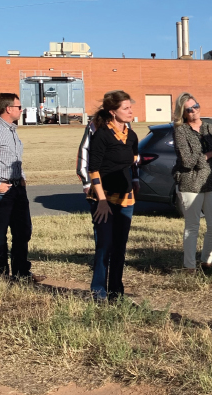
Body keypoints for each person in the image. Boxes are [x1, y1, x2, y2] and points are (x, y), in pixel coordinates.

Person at [0, 93, 45, 283]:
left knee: (23, 231)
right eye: (19, 107)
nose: (21, 110)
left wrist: (22, 178)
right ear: (8, 108)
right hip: (0, 191)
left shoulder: (12, 130)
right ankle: (0, 276)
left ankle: (21, 273)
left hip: (17, 189)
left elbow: (13, 160)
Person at [87, 90, 139, 302]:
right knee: (105, 246)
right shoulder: (101, 134)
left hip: (126, 200)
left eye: (130, 107)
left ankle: (116, 292)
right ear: (112, 112)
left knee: (120, 248)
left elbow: (133, 162)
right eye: (125, 108)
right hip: (103, 200)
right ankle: (98, 293)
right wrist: (101, 201)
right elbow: (93, 169)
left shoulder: (132, 135)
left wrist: (135, 183)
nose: (130, 111)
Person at [171, 93, 212, 272]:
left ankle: (207, 261)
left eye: (196, 106)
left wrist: (211, 155)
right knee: (192, 226)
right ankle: (189, 266)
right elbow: (186, 161)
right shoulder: (180, 130)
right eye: (189, 109)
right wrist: (210, 154)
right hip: (190, 183)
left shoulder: (210, 128)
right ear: (183, 113)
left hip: (211, 181)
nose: (194, 111)